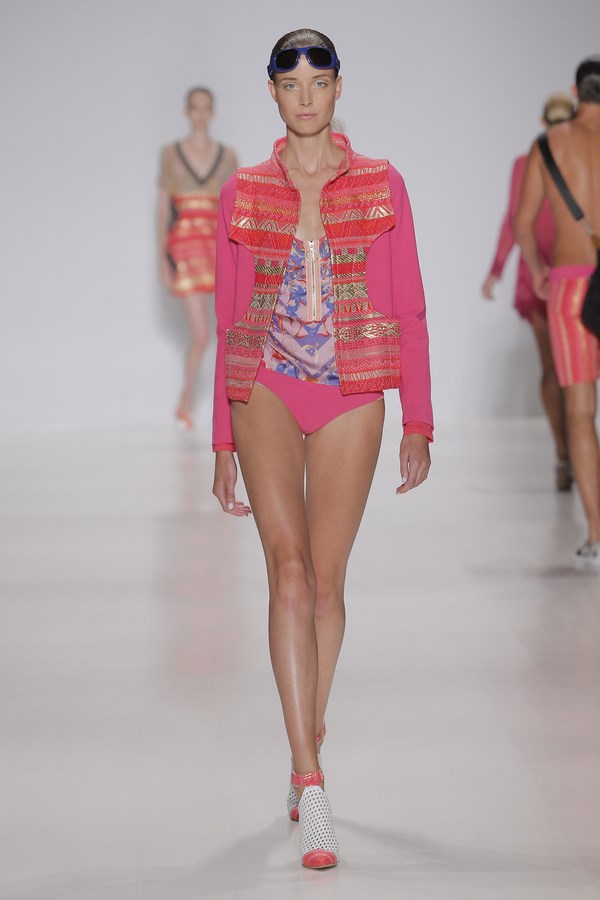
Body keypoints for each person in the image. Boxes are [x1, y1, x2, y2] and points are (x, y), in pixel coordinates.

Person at [211, 28, 433, 868]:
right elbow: (230, 315)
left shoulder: (382, 182)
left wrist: (419, 418)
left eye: (319, 82)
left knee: (329, 584)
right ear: (271, 91)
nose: (305, 98)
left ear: (339, 88)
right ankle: (311, 779)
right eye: (290, 84)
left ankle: (306, 730)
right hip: (265, 384)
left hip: (353, 387)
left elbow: (409, 303)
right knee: (290, 572)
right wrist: (222, 437)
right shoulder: (243, 190)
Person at [515, 57, 600, 568]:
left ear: (574, 91)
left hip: (570, 288)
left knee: (580, 411)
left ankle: (597, 534)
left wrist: (538, 271)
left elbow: (524, 222)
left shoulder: (548, 145)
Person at [482, 94, 575, 491]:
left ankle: (576, 446)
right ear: (542, 121)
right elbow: (514, 217)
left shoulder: (582, 157)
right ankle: (563, 453)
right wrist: (497, 268)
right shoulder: (526, 164)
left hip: (574, 269)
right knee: (553, 368)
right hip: (537, 273)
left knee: (574, 370)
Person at [157, 87, 237, 430]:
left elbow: (234, 208)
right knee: (202, 334)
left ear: (212, 112)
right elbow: (163, 210)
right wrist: (162, 259)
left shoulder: (228, 157)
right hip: (186, 249)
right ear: (187, 112)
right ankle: (186, 400)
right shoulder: (171, 155)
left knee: (227, 330)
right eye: (195, 108)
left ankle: (226, 404)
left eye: (206, 108)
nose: (200, 115)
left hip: (218, 247)